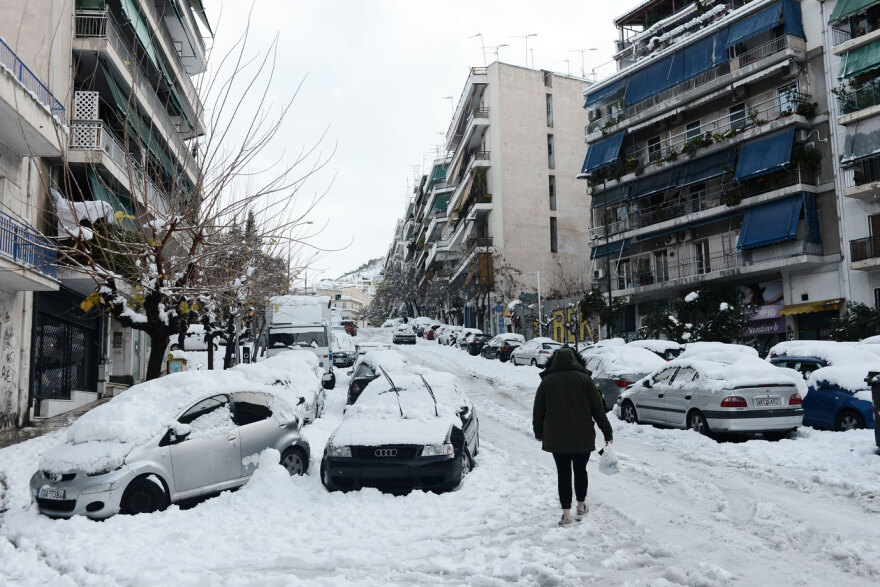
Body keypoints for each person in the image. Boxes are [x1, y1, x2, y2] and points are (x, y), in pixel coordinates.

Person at [532, 346, 613, 526]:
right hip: (582, 434)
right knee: (580, 470)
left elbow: (538, 410)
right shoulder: (585, 380)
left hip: (556, 436)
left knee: (563, 473)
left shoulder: (547, 382)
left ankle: (566, 515)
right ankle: (581, 506)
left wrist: (538, 432)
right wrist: (607, 433)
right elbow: (598, 410)